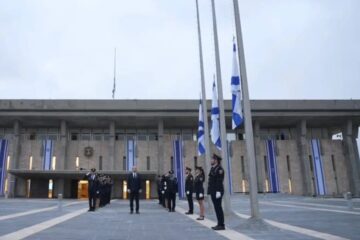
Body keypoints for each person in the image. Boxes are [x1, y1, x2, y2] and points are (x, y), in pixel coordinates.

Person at [208, 153, 225, 230]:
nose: (211, 160)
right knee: (216, 208)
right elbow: (210, 181)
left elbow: (219, 181)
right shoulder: (213, 168)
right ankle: (219, 223)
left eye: (212, 159)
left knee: (218, 208)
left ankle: (221, 225)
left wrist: (218, 191)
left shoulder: (220, 169)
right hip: (213, 191)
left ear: (216, 160)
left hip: (217, 191)